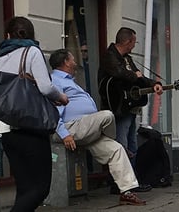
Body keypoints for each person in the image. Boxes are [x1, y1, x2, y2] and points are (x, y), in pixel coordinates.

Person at [48, 50, 147, 206]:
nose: (75, 62)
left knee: (116, 150)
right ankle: (113, 139)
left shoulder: (70, 80)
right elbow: (53, 110)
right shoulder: (56, 81)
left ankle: (126, 192)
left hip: (87, 129)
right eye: (73, 59)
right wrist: (64, 134)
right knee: (107, 115)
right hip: (72, 128)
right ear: (66, 62)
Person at [0, 16, 68, 212]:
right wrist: (61, 97)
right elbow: (45, 87)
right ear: (31, 35)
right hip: (32, 129)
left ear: (8, 35)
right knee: (40, 188)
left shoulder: (0, 60)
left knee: (24, 188)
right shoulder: (32, 52)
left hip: (7, 130)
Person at [99, 27, 163, 165]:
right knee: (122, 143)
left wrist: (153, 84)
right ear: (127, 42)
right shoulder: (109, 56)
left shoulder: (126, 58)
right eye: (134, 42)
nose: (134, 45)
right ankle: (123, 183)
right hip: (118, 107)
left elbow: (139, 76)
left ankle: (132, 180)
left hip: (129, 106)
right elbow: (119, 73)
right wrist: (134, 75)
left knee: (131, 143)